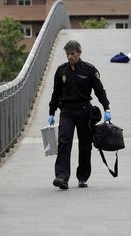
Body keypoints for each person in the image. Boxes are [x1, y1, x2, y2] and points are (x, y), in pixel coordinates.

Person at [48, 40, 111, 190]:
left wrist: (107, 108)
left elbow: (99, 90)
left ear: (79, 53)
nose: (70, 57)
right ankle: (62, 177)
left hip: (84, 111)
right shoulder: (61, 71)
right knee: (64, 143)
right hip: (67, 112)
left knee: (85, 146)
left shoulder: (89, 70)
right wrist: (51, 112)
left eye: (73, 54)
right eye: (68, 54)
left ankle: (82, 176)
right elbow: (55, 93)